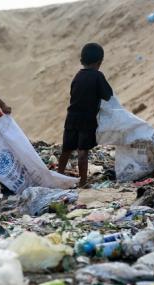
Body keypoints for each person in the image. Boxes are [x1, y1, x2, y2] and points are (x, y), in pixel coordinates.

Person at [58, 43, 113, 187]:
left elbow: (73, 93)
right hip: (87, 119)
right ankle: (82, 182)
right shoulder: (98, 76)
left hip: (71, 117)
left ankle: (58, 176)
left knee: (66, 149)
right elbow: (108, 95)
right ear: (99, 62)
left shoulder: (78, 75)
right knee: (83, 151)